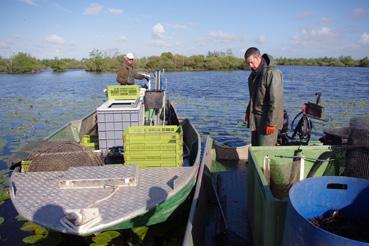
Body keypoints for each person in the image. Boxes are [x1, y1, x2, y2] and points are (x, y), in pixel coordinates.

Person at [244, 47, 284, 146]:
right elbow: (253, 97)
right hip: (255, 119)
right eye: (248, 63)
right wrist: (248, 112)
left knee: (265, 153)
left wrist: (271, 123)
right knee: (255, 149)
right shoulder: (253, 75)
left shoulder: (272, 73)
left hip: (267, 120)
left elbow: (276, 101)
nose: (250, 65)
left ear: (259, 58)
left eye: (251, 62)